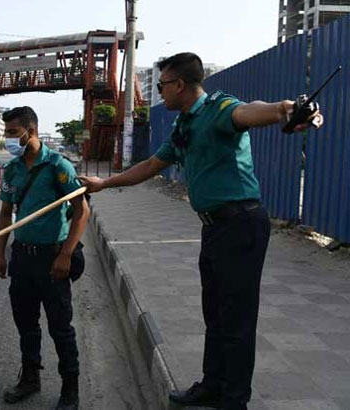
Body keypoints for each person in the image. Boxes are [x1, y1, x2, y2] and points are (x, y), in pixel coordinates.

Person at [78, 52, 324, 410]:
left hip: (241, 224)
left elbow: (248, 112)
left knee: (237, 318)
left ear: (179, 84)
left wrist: (282, 110)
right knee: (215, 313)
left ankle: (234, 400)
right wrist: (105, 183)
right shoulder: (184, 126)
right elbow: (150, 165)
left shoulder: (220, 107)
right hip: (213, 228)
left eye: (162, 85)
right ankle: (213, 385)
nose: (160, 92)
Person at [0, 106, 89, 410]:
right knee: (26, 324)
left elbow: (81, 211)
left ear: (30, 131)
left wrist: (66, 254)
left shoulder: (58, 166)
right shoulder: (12, 169)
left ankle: (70, 390)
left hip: (53, 258)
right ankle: (30, 378)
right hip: (22, 258)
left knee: (60, 327)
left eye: (12, 133)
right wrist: (0, 255)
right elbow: (7, 212)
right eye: (6, 132)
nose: (8, 138)